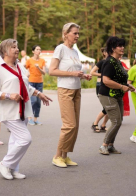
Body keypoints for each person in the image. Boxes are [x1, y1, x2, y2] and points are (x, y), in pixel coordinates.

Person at [0, 38, 52, 180]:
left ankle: (13, 169)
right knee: (25, 139)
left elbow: (25, 86)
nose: (17, 49)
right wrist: (9, 95)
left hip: (23, 109)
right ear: (4, 51)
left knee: (15, 141)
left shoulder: (19, 67)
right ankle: (5, 164)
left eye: (17, 47)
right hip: (9, 111)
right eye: (13, 47)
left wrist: (39, 93)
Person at [49, 23, 92, 168]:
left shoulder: (74, 51)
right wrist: (73, 73)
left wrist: (82, 76)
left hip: (76, 90)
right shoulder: (60, 49)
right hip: (65, 90)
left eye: (78, 33)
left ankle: (65, 156)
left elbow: (74, 70)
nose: (77, 36)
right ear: (66, 33)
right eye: (75, 33)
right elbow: (52, 71)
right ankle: (57, 156)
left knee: (75, 125)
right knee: (69, 125)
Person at [98, 36, 135, 155]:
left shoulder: (118, 62)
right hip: (107, 95)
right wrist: (121, 87)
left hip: (117, 95)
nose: (122, 48)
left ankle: (110, 145)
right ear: (113, 48)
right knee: (116, 121)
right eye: (120, 46)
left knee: (119, 120)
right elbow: (106, 80)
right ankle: (103, 145)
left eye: (123, 45)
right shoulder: (109, 61)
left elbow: (120, 78)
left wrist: (128, 86)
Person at [26, 45, 46, 125]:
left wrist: (38, 68)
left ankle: (35, 119)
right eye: (37, 49)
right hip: (31, 82)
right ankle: (29, 118)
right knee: (33, 100)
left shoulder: (42, 61)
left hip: (39, 83)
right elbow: (24, 68)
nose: (39, 51)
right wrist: (26, 75)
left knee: (38, 101)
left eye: (40, 49)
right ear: (33, 51)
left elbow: (44, 73)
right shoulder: (29, 60)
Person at [90, 47, 109, 133]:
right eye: (107, 51)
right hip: (100, 85)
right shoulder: (102, 62)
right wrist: (103, 74)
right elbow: (92, 72)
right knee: (107, 107)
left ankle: (103, 125)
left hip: (109, 85)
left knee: (110, 107)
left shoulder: (112, 62)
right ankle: (95, 123)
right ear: (104, 53)